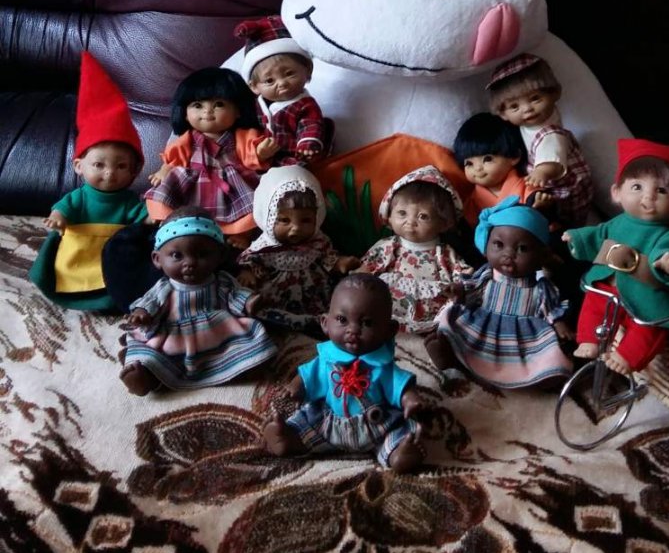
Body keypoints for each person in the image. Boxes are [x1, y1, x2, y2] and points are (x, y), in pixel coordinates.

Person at [262, 273, 427, 471]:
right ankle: (289, 438)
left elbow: (400, 386)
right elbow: (307, 378)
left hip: (377, 427)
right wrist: (295, 387)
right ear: (325, 322)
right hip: (329, 425)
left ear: (389, 330)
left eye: (367, 323)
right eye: (342, 319)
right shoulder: (326, 361)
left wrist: (409, 399)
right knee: (307, 421)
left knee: (400, 431)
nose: (353, 330)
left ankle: (399, 454)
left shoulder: (383, 366)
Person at [30, 52, 149, 311]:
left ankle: (112, 296)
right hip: (80, 252)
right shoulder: (80, 197)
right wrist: (58, 218)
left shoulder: (129, 200)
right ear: (78, 166)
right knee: (69, 269)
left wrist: (153, 218)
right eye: (99, 165)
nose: (109, 173)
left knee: (122, 273)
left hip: (113, 253)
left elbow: (143, 216)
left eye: (121, 166)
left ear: (135, 171)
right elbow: (63, 208)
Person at [564, 138, 669, 375]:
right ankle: (590, 339)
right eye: (637, 187)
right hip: (609, 285)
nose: (648, 197)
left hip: (643, 293)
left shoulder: (666, 233)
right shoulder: (617, 222)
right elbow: (598, 234)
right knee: (594, 301)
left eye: (662, 190)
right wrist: (577, 237)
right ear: (617, 192)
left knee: (650, 326)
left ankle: (627, 356)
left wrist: (665, 262)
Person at [120, 214, 277, 394]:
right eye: (177, 255)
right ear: (157, 259)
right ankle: (143, 375)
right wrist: (142, 314)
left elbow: (234, 295)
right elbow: (151, 302)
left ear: (221, 255)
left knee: (253, 340)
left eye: (202, 254)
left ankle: (245, 365)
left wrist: (249, 301)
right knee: (152, 354)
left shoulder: (221, 280)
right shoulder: (164, 286)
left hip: (217, 331)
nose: (190, 263)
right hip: (175, 336)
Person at [427, 196, 572, 390]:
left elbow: (550, 308)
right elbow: (472, 287)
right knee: (456, 331)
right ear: (486, 245)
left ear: (542, 255)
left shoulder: (540, 286)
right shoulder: (488, 275)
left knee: (546, 356)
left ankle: (542, 378)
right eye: (499, 245)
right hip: (483, 324)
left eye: (522, 249)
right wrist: (458, 289)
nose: (508, 255)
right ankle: (448, 356)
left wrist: (559, 323)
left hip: (523, 337)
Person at [143, 66, 268, 246]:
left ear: (238, 110)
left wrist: (261, 152)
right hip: (192, 185)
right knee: (168, 193)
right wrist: (164, 170)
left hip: (233, 186)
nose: (207, 111)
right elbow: (175, 158)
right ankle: (169, 223)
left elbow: (252, 154)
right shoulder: (187, 139)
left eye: (219, 104)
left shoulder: (242, 136)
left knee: (250, 206)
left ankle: (242, 234)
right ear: (185, 113)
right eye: (198, 105)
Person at [238, 163, 359, 328]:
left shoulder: (318, 242)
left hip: (315, 299)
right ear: (267, 216)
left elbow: (327, 257)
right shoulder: (264, 247)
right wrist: (248, 273)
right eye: (285, 220)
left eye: (306, 220)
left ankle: (316, 325)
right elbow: (251, 261)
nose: (296, 228)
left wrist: (339, 263)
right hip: (276, 301)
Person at [358, 166, 471, 332]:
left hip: (431, 318)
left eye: (423, 216)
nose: (410, 221)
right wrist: (360, 276)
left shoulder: (445, 253)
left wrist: (457, 287)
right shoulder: (388, 246)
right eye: (402, 213)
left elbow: (463, 276)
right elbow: (367, 269)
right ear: (389, 216)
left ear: (444, 223)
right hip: (387, 312)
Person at [486, 53, 593, 228]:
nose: (527, 109)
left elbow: (551, 163)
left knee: (568, 220)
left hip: (566, 188)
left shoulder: (550, 135)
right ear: (503, 114)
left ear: (553, 93)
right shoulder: (532, 123)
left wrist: (541, 173)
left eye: (535, 98)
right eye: (514, 106)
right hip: (551, 180)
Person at [234, 15, 332, 167]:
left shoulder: (305, 105)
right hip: (269, 157)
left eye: (289, 73)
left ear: (307, 71)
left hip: (296, 155)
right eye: (269, 81)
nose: (282, 83)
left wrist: (306, 144)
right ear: (254, 87)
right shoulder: (258, 105)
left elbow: (310, 124)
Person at [453, 112, 528, 223]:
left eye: (487, 159)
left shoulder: (526, 186)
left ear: (514, 156)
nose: (477, 168)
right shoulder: (472, 202)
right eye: (469, 163)